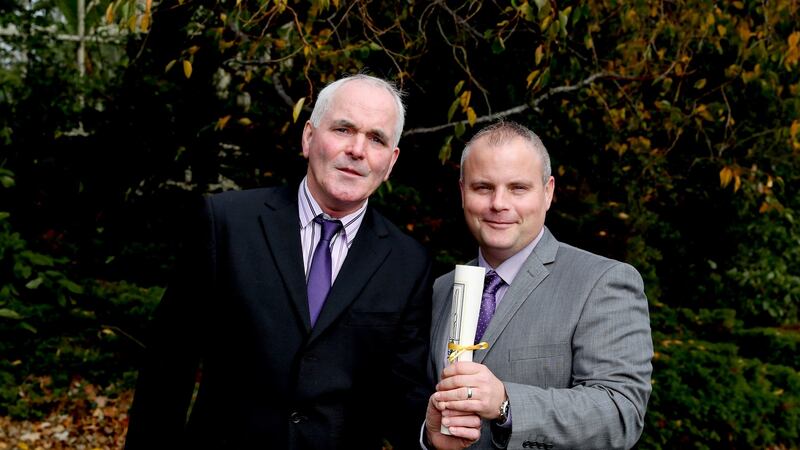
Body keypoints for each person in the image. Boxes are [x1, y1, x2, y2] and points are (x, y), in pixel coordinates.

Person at [125, 74, 472, 449]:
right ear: (308, 138)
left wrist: (427, 433)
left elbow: (400, 391)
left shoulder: (409, 263)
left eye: (376, 139)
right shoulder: (227, 224)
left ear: (390, 162)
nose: (357, 149)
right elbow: (168, 367)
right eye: (343, 129)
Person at [428, 121, 653, 449]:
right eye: (483, 187)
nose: (499, 203)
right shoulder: (442, 290)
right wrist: (428, 436)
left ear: (547, 192)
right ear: (463, 192)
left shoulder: (603, 282)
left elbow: (621, 414)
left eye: (518, 188)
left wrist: (506, 404)